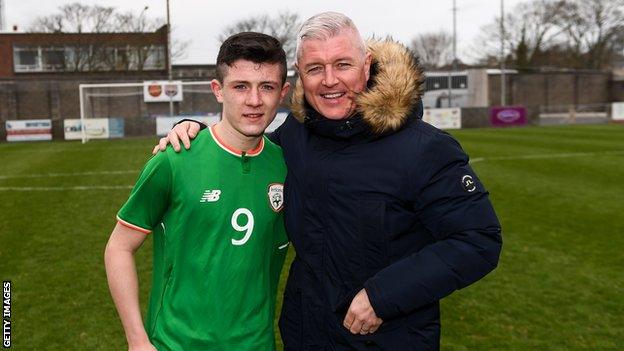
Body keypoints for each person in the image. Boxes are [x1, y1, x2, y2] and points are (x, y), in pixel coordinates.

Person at [157, 12, 502, 350]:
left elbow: (478, 240)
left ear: (366, 66)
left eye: (343, 64)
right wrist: (195, 133)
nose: (330, 80)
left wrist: (383, 296)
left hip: (390, 338)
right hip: (306, 335)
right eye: (315, 68)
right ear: (301, 77)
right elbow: (245, 150)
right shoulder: (294, 138)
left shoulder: (425, 149)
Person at [105, 32, 291, 350]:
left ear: (283, 92)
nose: (254, 100)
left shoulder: (287, 166)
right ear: (218, 90)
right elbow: (118, 248)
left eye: (267, 87)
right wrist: (137, 340)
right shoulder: (174, 160)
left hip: (256, 344)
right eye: (240, 86)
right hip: (175, 342)